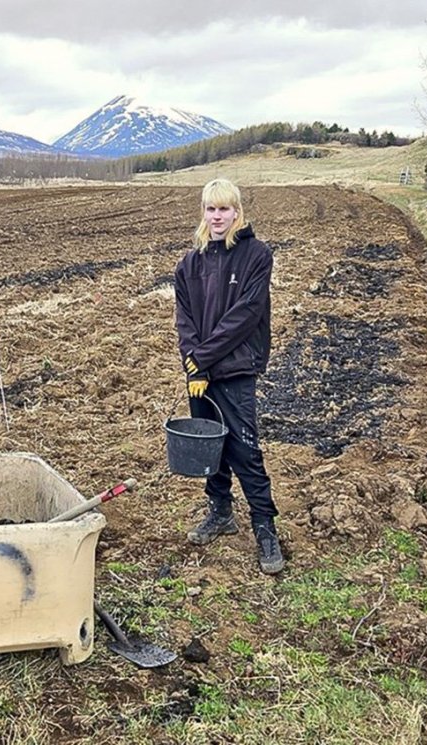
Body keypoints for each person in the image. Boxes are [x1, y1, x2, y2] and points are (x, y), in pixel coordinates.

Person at [173, 178, 284, 575]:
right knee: (209, 446)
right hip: (199, 372)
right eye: (210, 209)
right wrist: (195, 363)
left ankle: (264, 527)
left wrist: (202, 358)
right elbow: (184, 319)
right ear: (203, 213)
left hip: (235, 368)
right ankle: (220, 512)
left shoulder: (256, 256)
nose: (217, 216)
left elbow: (245, 316)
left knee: (244, 449)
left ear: (237, 212)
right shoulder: (190, 263)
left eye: (224, 209)